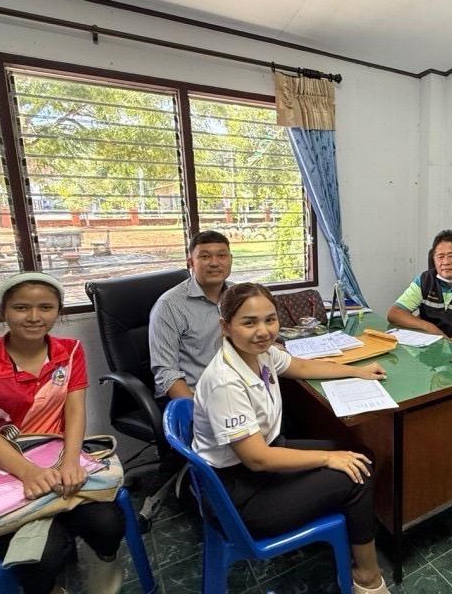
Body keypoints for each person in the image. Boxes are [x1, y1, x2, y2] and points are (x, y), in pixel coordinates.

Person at [192, 283, 391, 594]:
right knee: (358, 473)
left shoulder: (262, 353)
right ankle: (367, 577)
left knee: (359, 454)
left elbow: (300, 365)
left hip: (264, 460)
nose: (263, 331)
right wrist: (328, 458)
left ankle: (346, 529)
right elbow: (257, 459)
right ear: (225, 326)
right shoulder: (225, 382)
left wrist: (356, 371)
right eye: (249, 322)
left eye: (270, 320)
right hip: (240, 497)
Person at [0, 273, 124, 594]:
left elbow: (74, 412)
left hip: (56, 456)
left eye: (45, 307)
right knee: (45, 553)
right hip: (0, 465)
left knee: (109, 523)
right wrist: (30, 473)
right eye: (21, 308)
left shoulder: (69, 351)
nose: (33, 317)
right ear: (2, 311)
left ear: (58, 311)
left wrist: (71, 461)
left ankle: (104, 561)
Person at [149, 230, 233, 402]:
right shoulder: (169, 305)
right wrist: (195, 412)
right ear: (191, 263)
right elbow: (166, 372)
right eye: (205, 256)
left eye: (222, 256)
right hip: (194, 396)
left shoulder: (239, 295)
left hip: (234, 391)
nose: (214, 263)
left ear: (230, 260)